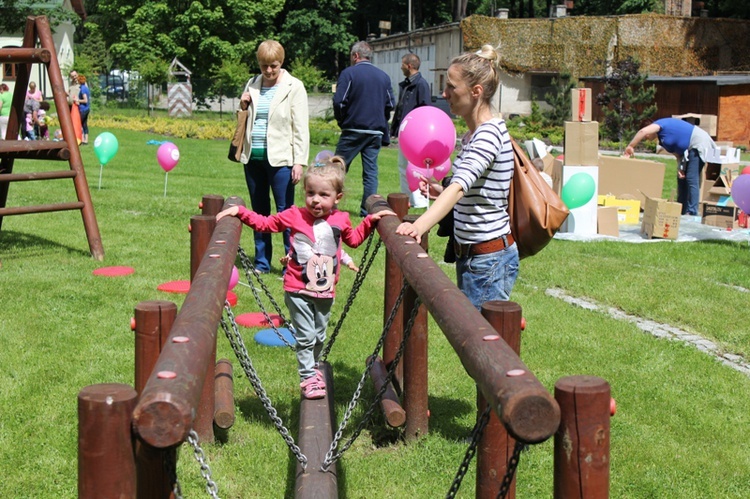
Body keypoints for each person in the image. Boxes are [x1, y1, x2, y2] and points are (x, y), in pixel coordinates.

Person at [216, 156, 395, 399]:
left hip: (325, 290)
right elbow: (265, 224)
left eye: (323, 195)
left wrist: (369, 222)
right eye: (311, 193)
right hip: (297, 288)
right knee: (306, 335)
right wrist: (240, 211)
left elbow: (353, 240)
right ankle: (307, 377)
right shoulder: (294, 215)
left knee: (319, 335)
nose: (316, 200)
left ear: (337, 197)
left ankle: (313, 368)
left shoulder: (340, 219)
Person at [396, 45, 518, 310]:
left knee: (481, 346)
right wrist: (441, 190)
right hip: (477, 256)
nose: (444, 93)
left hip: (487, 260)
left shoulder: (487, 134)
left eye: (451, 87)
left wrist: (419, 226)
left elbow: (460, 187)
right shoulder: (474, 135)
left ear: (476, 92)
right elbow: (480, 190)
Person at [238, 40, 310, 274]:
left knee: (285, 213)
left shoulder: (294, 86)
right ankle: (261, 263)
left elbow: (301, 127)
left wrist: (299, 161)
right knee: (259, 213)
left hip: (282, 161)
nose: (268, 71)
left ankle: (291, 263)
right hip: (253, 159)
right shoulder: (253, 83)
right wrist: (242, 104)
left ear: (282, 62)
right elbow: (245, 119)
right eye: (264, 66)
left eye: (274, 66)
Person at [333, 41, 395, 217]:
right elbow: (390, 103)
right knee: (370, 172)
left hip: (353, 128)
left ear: (355, 56)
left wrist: (342, 119)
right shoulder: (383, 76)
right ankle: (366, 210)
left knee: (338, 168)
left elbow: (339, 101)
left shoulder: (349, 73)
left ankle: (329, 204)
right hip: (375, 130)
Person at [624, 118, 716, 215]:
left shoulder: (659, 124)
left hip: (698, 142)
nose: (646, 137)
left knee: (691, 178)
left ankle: (692, 211)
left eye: (647, 135)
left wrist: (631, 146)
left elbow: (643, 131)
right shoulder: (663, 140)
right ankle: (681, 209)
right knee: (681, 179)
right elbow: (678, 155)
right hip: (687, 151)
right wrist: (681, 169)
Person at [391, 53, 433, 209]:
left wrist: (422, 132)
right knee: (403, 166)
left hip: (416, 135)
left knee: (415, 168)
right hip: (404, 133)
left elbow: (425, 109)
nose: (401, 67)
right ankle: (407, 199)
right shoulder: (406, 84)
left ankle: (420, 201)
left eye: (402, 64)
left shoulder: (421, 85)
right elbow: (401, 109)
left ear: (409, 66)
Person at [75, 75, 91, 144]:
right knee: (84, 124)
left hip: (83, 110)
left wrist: (77, 100)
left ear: (79, 81)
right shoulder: (86, 88)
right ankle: (86, 140)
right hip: (87, 109)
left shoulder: (83, 89)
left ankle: (80, 139)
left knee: (79, 124)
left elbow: (85, 100)